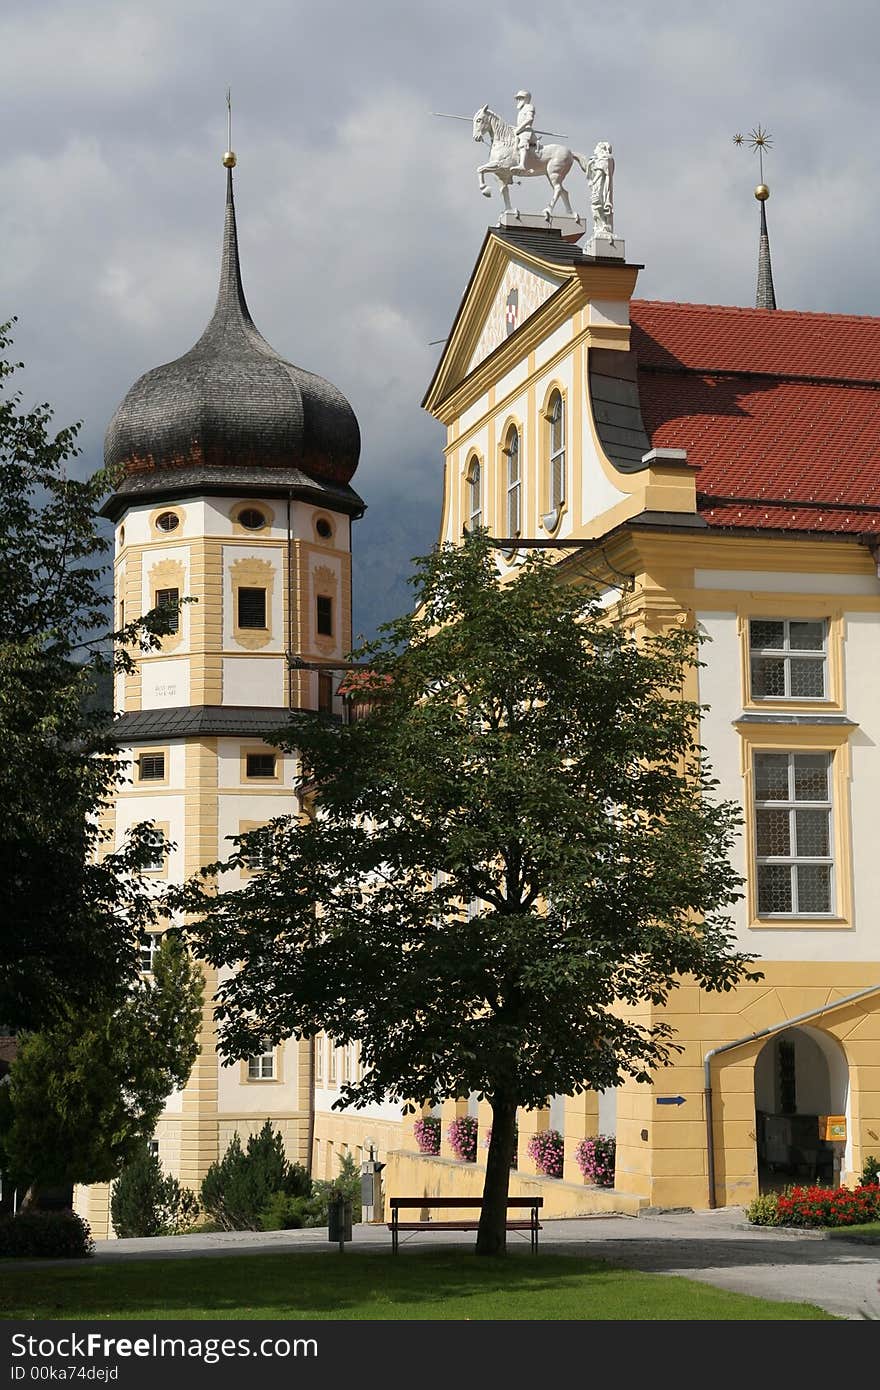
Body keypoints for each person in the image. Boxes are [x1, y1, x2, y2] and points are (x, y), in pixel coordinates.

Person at [587, 141, 614, 238]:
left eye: (596, 148)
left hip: (599, 188)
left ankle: (602, 225)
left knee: (596, 206)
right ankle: (601, 225)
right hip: (603, 188)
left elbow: (598, 174)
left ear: (600, 149)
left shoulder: (603, 159)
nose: (595, 150)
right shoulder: (608, 159)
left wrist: (592, 182)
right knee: (597, 206)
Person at [511, 90, 537, 175]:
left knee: (523, 143)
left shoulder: (529, 107)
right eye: (518, 98)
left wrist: (519, 128)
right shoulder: (521, 110)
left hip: (526, 131)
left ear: (526, 99)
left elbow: (529, 119)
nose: (518, 100)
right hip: (520, 131)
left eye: (520, 98)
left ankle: (522, 165)